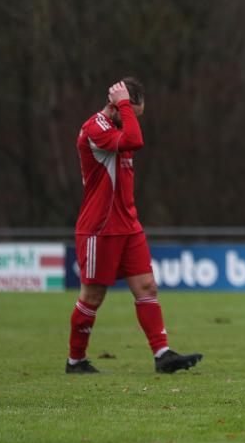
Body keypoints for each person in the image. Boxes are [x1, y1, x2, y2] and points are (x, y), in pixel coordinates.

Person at [69, 79, 203, 373]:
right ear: (119, 107)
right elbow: (134, 140)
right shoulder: (95, 129)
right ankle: (75, 360)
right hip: (99, 227)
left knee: (146, 286)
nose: (132, 119)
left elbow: (132, 136)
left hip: (128, 225)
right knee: (93, 296)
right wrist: (125, 106)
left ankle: (163, 355)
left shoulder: (119, 125)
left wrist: (126, 108)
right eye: (130, 111)